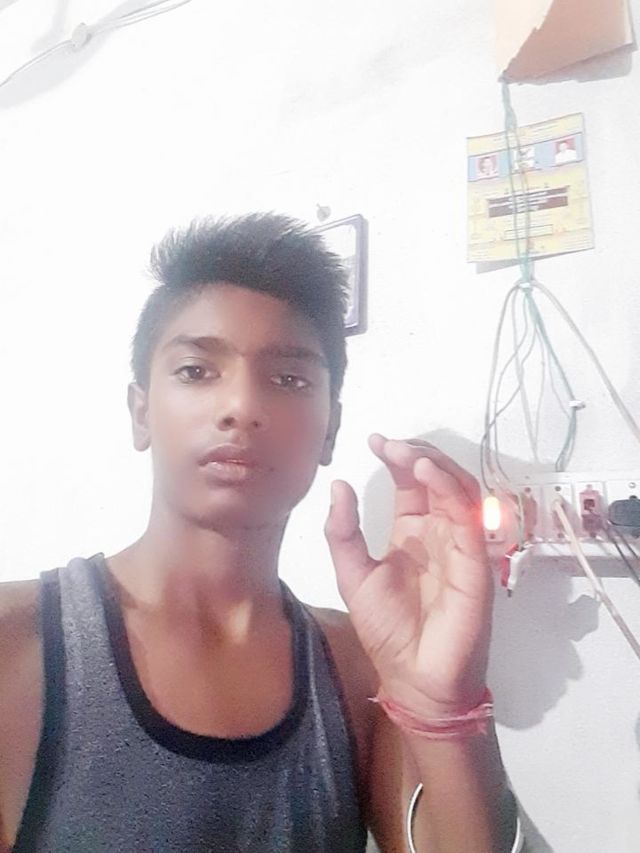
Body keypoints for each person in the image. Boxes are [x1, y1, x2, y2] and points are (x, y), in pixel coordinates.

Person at [0, 214, 521, 852]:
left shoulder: (359, 664)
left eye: (288, 379)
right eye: (196, 370)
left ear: (330, 431)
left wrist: (445, 707)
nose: (242, 408)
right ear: (141, 413)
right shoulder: (15, 641)